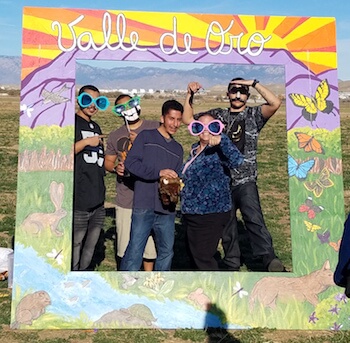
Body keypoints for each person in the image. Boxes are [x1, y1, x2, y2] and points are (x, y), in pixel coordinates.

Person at [183, 78, 285, 272]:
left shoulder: (254, 114)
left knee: (254, 219)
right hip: (222, 181)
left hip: (246, 178)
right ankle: (232, 263)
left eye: (243, 92)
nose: (238, 95)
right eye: (234, 91)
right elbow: (188, 120)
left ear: (248, 96)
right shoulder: (217, 115)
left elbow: (275, 103)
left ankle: (268, 259)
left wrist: (253, 83)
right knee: (228, 226)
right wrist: (190, 94)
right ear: (227, 94)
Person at [120, 99, 184, 271]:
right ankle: (125, 286)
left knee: (166, 252)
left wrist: (176, 185)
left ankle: (158, 287)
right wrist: (158, 173)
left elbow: (178, 177)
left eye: (178, 120)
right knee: (135, 250)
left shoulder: (178, 149)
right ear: (162, 118)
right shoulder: (146, 137)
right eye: (171, 118)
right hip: (144, 204)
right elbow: (131, 164)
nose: (175, 124)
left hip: (167, 209)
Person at [181, 112, 244, 270]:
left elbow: (237, 161)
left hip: (211, 212)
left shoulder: (219, 149)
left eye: (212, 126)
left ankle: (215, 290)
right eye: (200, 126)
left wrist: (223, 141)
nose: (206, 130)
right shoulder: (194, 150)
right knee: (194, 255)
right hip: (192, 212)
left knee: (203, 257)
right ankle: (199, 290)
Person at [105, 94, 159, 271]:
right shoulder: (115, 136)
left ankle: (149, 279)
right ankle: (127, 279)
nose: (128, 109)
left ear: (138, 105)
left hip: (151, 196)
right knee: (125, 245)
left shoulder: (154, 128)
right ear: (118, 113)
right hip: (126, 197)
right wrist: (115, 169)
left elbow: (164, 153)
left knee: (149, 247)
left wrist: (144, 144)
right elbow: (108, 162)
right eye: (122, 107)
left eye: (131, 104)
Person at [72, 85, 109, 271]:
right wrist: (86, 142)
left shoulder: (96, 126)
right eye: (88, 100)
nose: (92, 106)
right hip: (79, 199)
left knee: (90, 245)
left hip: (98, 199)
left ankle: (84, 274)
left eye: (98, 102)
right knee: (75, 243)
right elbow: (62, 153)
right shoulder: (71, 123)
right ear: (79, 100)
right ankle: (71, 275)